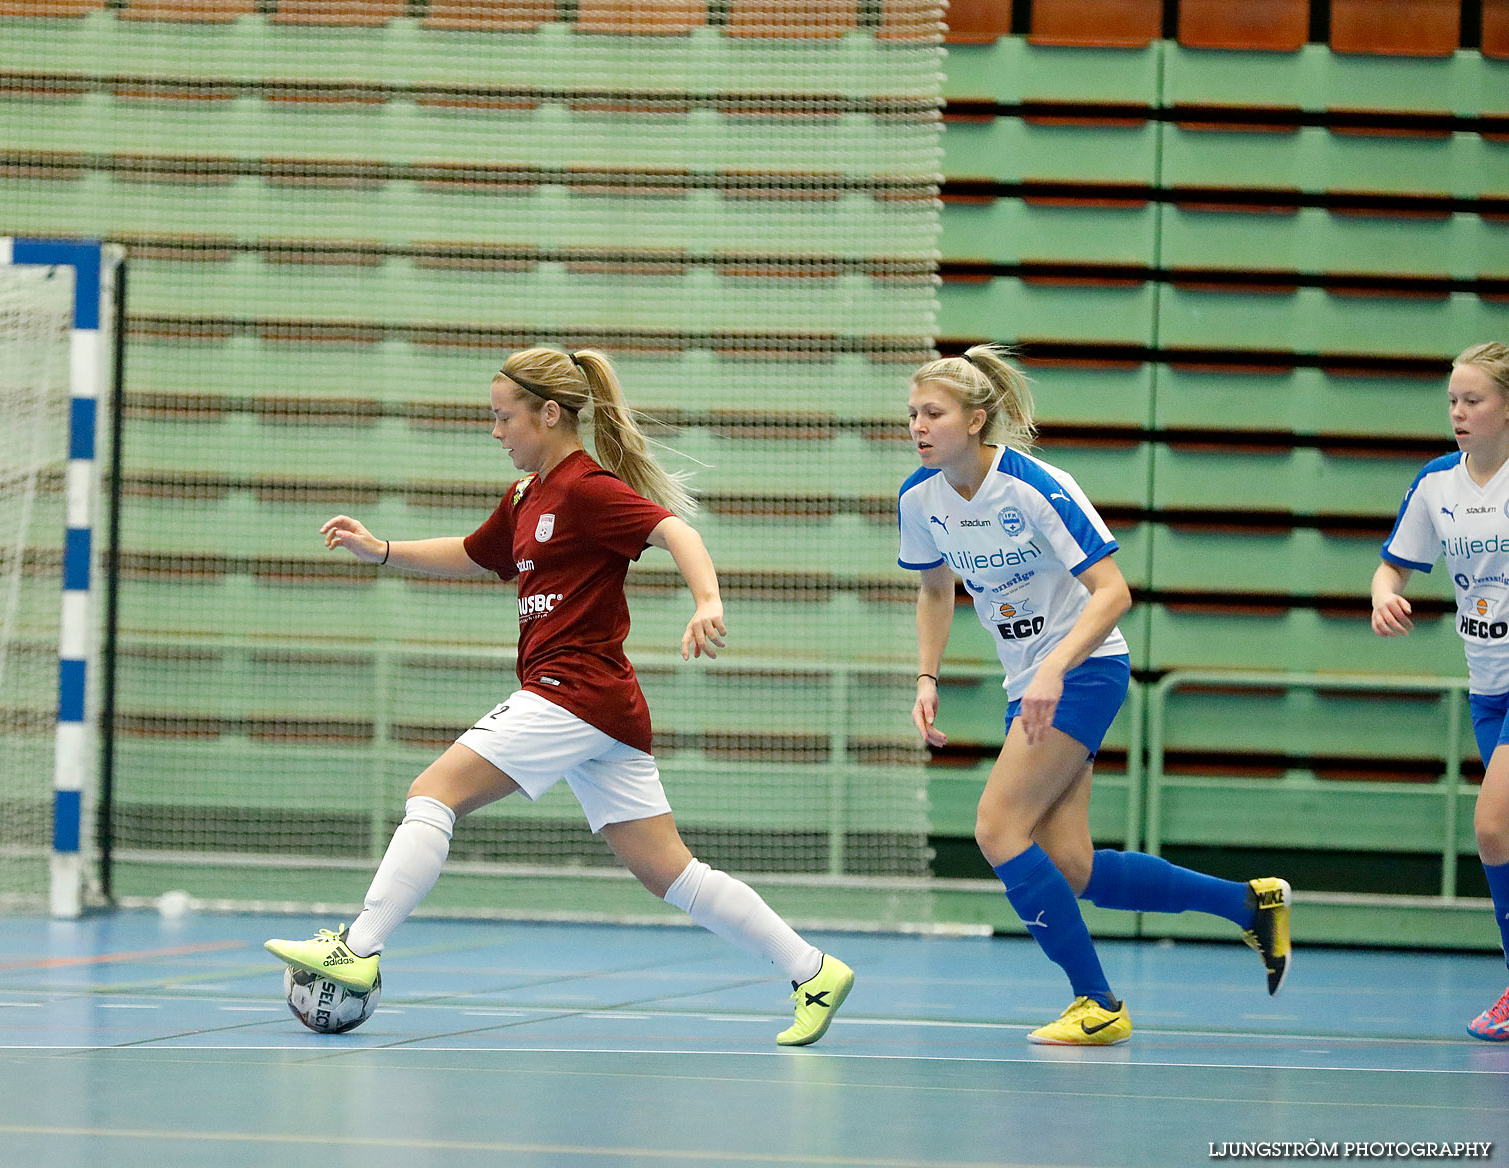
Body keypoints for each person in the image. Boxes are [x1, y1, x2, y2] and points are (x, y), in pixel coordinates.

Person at [265, 346, 854, 1046]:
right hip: (602, 708)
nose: (495, 431)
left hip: (572, 690)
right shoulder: (525, 497)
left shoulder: (585, 487)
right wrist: (383, 549)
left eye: (502, 417)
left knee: (432, 792)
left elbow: (674, 529)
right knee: (671, 872)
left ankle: (357, 949)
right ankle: (812, 969)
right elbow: (476, 553)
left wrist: (707, 599)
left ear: (549, 413)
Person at [898, 345, 1290, 1046]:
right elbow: (934, 589)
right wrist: (928, 677)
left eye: (933, 413)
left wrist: (1055, 666)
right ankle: (1248, 905)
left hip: (1085, 670)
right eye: (912, 415)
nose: (918, 427)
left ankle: (1097, 1002)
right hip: (1031, 682)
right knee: (1073, 866)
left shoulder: (1036, 486)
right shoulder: (919, 500)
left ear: (977, 419)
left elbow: (1113, 593)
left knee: (995, 825)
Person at [1373, 340, 1509, 1042]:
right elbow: (1393, 567)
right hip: (1486, 686)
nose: (1458, 412)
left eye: (1473, 400)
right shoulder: (1437, 486)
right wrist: (1382, 598)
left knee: (1491, 828)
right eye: (1452, 400)